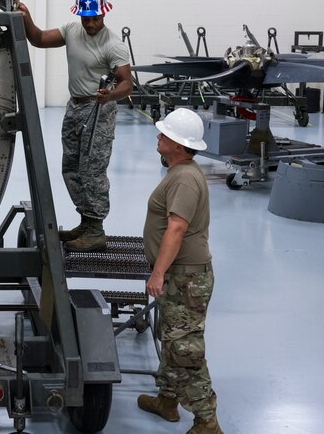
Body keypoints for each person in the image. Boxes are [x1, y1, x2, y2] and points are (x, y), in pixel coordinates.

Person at [18, 0, 133, 252]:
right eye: (86, 18)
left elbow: (127, 84)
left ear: (104, 15)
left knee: (91, 171)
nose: (91, 23)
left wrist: (111, 95)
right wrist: (26, 17)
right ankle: (86, 221)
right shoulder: (71, 30)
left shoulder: (113, 45)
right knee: (70, 168)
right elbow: (38, 38)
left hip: (98, 110)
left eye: (95, 18)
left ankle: (96, 231)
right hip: (74, 108)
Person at [137, 107, 222, 434]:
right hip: (181, 275)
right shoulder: (180, 173)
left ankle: (207, 422)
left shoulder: (185, 178)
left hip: (185, 277)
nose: (158, 135)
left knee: (185, 348)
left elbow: (176, 228)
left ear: (178, 143)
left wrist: (158, 273)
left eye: (164, 133)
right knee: (172, 338)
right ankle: (167, 402)